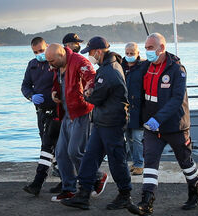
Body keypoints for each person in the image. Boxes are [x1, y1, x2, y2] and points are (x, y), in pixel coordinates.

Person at [127, 33, 198, 216]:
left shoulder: (177, 70)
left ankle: (195, 192)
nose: (147, 51)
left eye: (150, 48)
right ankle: (147, 202)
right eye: (145, 48)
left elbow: (176, 99)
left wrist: (158, 119)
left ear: (161, 48)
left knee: (185, 162)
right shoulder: (145, 67)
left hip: (175, 126)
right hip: (152, 129)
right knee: (150, 162)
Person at [60, 36, 132, 210]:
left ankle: (125, 195)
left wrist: (86, 94)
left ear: (99, 52)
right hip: (102, 121)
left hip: (111, 123)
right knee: (90, 158)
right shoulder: (108, 67)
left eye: (91, 52)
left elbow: (97, 97)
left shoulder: (109, 71)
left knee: (116, 160)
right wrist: (92, 92)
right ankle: (83, 193)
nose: (89, 56)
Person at [45, 43, 108, 202]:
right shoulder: (58, 64)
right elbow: (57, 81)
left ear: (60, 55)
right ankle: (69, 189)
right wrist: (54, 91)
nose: (49, 64)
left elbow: (92, 78)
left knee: (75, 151)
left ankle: (97, 177)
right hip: (67, 113)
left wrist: (88, 89)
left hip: (81, 112)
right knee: (60, 153)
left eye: (51, 61)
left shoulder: (80, 61)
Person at [21, 37, 61, 196]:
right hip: (41, 112)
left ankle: (38, 182)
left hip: (56, 111)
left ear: (48, 47)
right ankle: (65, 180)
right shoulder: (32, 65)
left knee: (48, 146)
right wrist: (31, 96)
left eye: (41, 51)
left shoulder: (56, 64)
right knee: (50, 146)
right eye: (35, 52)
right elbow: (25, 85)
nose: (39, 54)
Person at [121, 42, 146, 175]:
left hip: (138, 108)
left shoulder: (143, 67)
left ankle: (139, 163)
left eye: (132, 53)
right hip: (124, 108)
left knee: (137, 137)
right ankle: (135, 162)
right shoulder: (120, 66)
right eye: (127, 53)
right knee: (128, 137)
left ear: (137, 53)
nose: (129, 56)